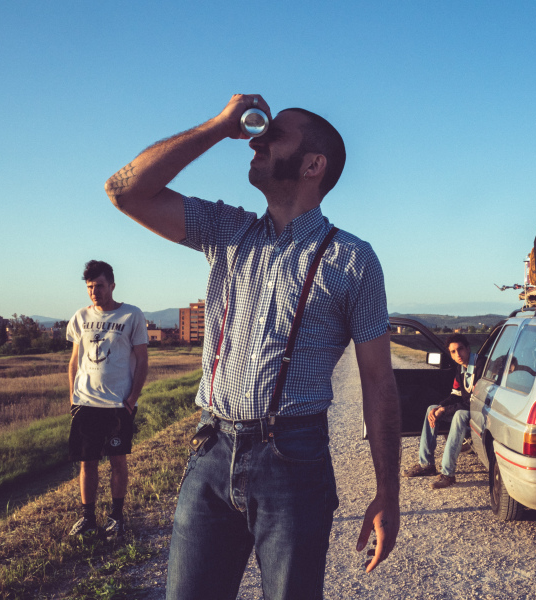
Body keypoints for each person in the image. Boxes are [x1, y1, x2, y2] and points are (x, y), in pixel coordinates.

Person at [104, 94, 401, 600]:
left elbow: (378, 381)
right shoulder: (227, 230)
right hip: (211, 449)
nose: (256, 141)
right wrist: (219, 125)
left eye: (275, 135)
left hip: (294, 461)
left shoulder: (353, 260)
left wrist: (387, 493)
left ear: (313, 165)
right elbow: (124, 191)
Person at [67, 260, 149, 538]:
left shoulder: (131, 315)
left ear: (112, 285)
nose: (94, 291)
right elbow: (74, 361)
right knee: (87, 462)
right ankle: (88, 518)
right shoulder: (80, 317)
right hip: (86, 403)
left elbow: (142, 359)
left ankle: (116, 517)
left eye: (99, 285)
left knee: (117, 461)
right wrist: (73, 397)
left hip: (117, 405)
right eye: (90, 287)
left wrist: (132, 398)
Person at [402, 333, 473, 490]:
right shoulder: (461, 369)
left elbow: (471, 403)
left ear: (468, 348)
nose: (458, 354)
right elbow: (455, 395)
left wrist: (445, 410)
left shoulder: (481, 366)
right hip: (467, 407)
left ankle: (448, 474)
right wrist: (439, 407)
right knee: (431, 409)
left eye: (460, 349)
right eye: (453, 352)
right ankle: (426, 464)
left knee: (459, 415)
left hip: (480, 412)